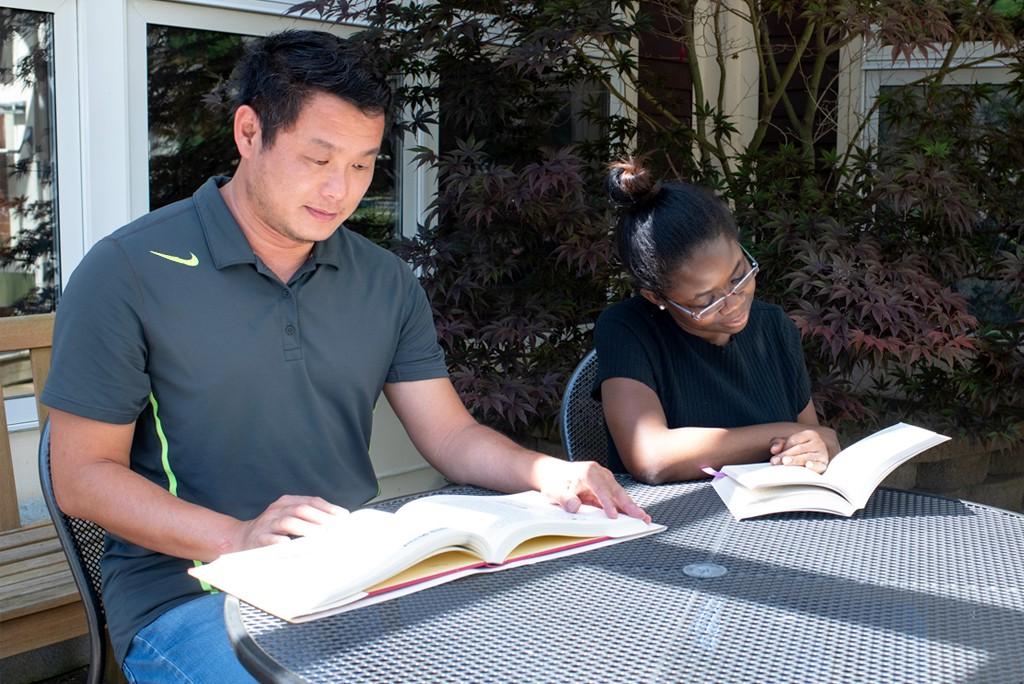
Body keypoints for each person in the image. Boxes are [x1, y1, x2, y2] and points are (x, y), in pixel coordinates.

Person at [42, 31, 647, 682]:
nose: (341, 189)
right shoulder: (128, 270)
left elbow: (449, 434)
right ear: (249, 133)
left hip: (360, 578)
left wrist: (546, 474)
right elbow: (81, 476)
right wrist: (237, 537)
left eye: (362, 164)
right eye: (318, 158)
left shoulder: (383, 280)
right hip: (192, 597)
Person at [594, 160, 840, 484]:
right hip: (673, 521)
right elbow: (650, 456)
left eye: (739, 276)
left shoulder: (774, 327)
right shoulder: (627, 329)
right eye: (707, 300)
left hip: (773, 519)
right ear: (656, 297)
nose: (734, 302)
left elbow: (808, 439)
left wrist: (818, 446)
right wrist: (781, 434)